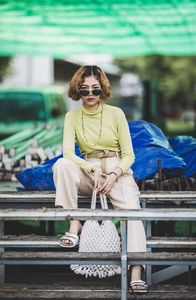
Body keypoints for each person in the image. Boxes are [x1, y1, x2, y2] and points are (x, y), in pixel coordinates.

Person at [52, 65, 147, 293]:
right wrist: (91, 169)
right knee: (62, 165)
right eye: (84, 90)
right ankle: (75, 223)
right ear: (77, 91)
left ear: (102, 89)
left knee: (132, 210)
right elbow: (68, 153)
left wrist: (114, 175)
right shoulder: (72, 116)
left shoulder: (116, 113)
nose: (90, 94)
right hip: (88, 169)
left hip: (117, 169)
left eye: (95, 89)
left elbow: (129, 155)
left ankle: (136, 270)